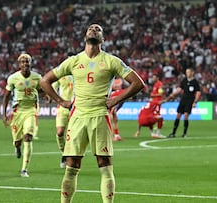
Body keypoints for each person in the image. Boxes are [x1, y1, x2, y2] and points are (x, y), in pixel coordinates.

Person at [40, 24, 145, 203]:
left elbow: (138, 83)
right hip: (78, 117)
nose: (93, 30)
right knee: (72, 165)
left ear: (102, 39)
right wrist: (62, 102)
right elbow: (45, 81)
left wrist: (115, 100)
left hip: (100, 117)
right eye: (90, 29)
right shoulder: (73, 61)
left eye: (98, 29)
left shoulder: (111, 61)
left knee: (105, 165)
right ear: (85, 36)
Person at [2, 53, 43, 177]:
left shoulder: (37, 78)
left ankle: (24, 169)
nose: (25, 64)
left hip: (31, 109)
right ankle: (17, 147)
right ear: (19, 64)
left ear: (31, 63)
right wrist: (4, 114)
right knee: (17, 141)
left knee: (28, 137)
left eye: (27, 61)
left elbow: (42, 90)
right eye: (23, 62)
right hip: (17, 112)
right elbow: (6, 96)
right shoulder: (13, 78)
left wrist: (47, 96)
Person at [166, 67, 201, 138]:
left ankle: (184, 133)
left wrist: (195, 102)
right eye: (186, 72)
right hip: (183, 100)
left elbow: (198, 92)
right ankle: (173, 133)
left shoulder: (195, 82)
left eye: (188, 72)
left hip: (190, 100)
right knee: (178, 115)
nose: (187, 73)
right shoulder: (184, 81)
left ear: (192, 73)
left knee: (186, 115)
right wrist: (173, 94)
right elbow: (179, 89)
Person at [52, 75, 74, 168]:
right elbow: (52, 87)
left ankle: (71, 156)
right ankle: (64, 153)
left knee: (72, 135)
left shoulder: (79, 72)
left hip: (76, 107)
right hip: (63, 106)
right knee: (60, 132)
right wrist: (52, 98)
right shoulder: (61, 74)